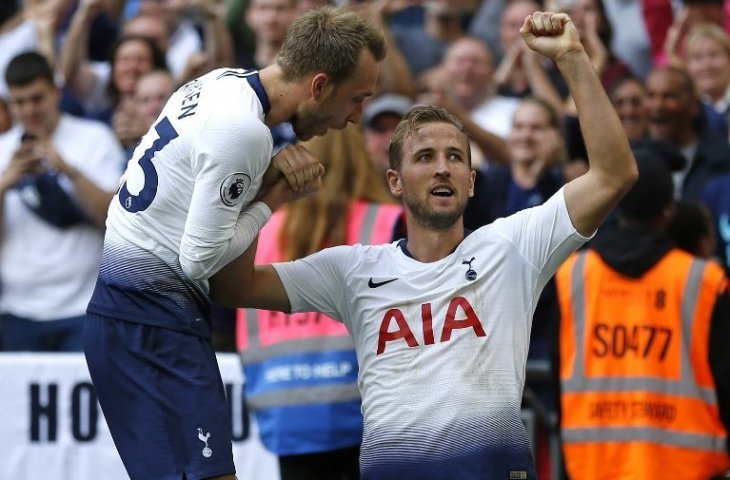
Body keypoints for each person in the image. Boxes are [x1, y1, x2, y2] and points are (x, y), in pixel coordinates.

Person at [209, 10, 638, 478]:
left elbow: (614, 175)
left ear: (471, 182)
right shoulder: (352, 270)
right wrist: (263, 198)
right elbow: (236, 287)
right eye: (424, 157)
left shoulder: (513, 246)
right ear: (394, 180)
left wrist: (573, 58)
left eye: (455, 157)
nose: (441, 168)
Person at [83, 6, 386, 480]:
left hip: (137, 317)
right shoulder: (245, 132)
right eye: (355, 99)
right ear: (320, 85)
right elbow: (200, 261)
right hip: (149, 324)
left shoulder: (221, 81)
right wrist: (274, 197)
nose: (354, 119)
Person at [237, 124, 402, 480]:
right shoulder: (384, 222)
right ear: (357, 157)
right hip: (366, 412)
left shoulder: (262, 230)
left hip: (286, 409)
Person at [555, 150, 730, 479]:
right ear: (669, 211)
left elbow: (557, 377)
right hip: (687, 468)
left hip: (593, 466)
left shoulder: (572, 276)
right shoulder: (703, 281)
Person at [0, 51, 124, 351]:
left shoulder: (95, 138)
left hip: (84, 307)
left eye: (37, 98)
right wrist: (5, 183)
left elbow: (113, 219)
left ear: (56, 93)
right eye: (19, 102)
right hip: (18, 310)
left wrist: (67, 169)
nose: (28, 109)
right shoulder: (3, 148)